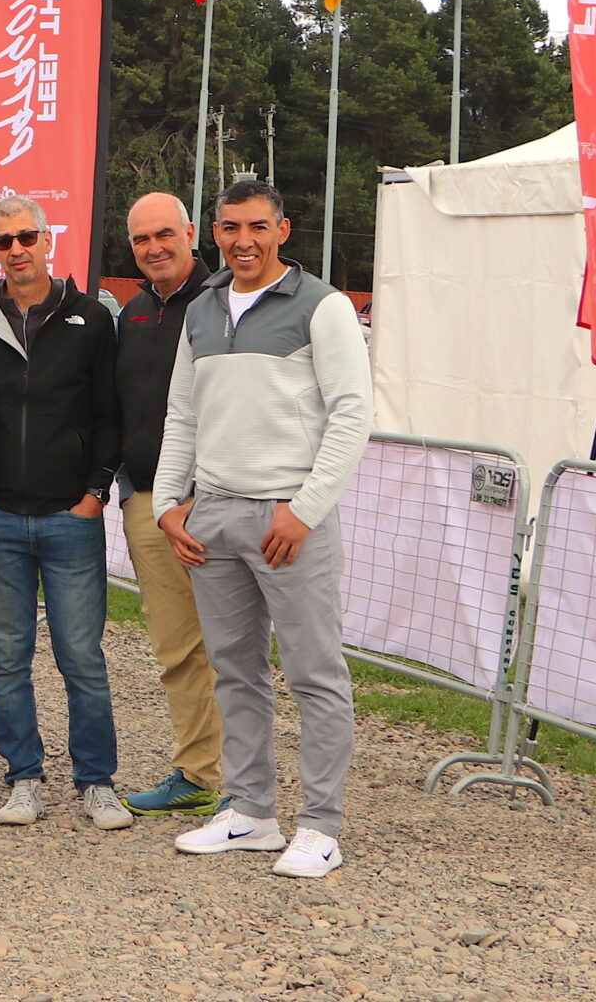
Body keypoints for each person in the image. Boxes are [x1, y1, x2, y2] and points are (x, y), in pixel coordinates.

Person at [156, 179, 370, 880]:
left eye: (256, 226)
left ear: (284, 228)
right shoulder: (203, 310)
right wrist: (168, 503)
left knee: (314, 673)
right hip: (213, 515)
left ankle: (321, 826)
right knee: (235, 672)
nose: (241, 240)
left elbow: (350, 414)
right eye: (228, 227)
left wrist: (304, 510)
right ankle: (249, 811)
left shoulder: (324, 308)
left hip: (289, 520)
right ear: (212, 233)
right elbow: (183, 414)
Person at [0, 195, 129, 831]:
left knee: (81, 656)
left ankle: (97, 780)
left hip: (69, 516)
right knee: (8, 656)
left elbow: (108, 414)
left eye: (27, 237)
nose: (16, 249)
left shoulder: (88, 317)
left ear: (49, 240)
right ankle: (23, 777)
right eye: (3, 242)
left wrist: (94, 493)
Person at [114, 192, 226, 818]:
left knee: (232, 643)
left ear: (190, 233)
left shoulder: (224, 305)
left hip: (217, 499)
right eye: (140, 240)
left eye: (164, 235)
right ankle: (197, 771)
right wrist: (135, 491)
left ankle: (247, 782)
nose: (154, 248)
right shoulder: (131, 314)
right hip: (152, 503)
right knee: (178, 645)